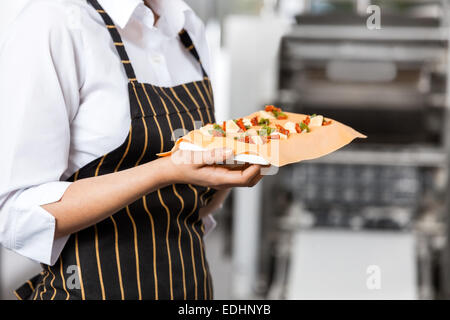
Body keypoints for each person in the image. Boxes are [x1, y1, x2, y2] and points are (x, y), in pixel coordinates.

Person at [0, 0, 263, 300]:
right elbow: (15, 214)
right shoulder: (55, 22)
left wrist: (237, 161)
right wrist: (162, 171)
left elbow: (190, 205)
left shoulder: (187, 28)